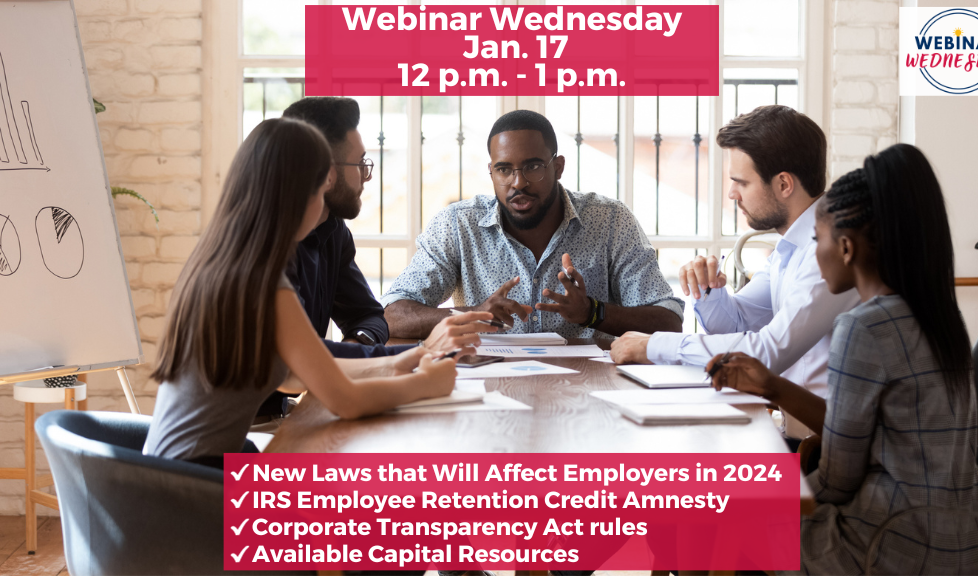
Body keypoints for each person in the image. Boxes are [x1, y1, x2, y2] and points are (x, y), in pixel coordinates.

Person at [708, 144, 978, 574]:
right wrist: (773, 385)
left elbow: (839, 481)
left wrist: (768, 496)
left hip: (890, 546)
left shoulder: (863, 327)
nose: (814, 253)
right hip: (967, 546)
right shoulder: (938, 315)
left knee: (714, 514)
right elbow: (874, 430)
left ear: (845, 248)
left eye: (817, 239)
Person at [144, 118, 456, 468]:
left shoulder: (219, 261)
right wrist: (427, 385)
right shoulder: (266, 284)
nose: (324, 207)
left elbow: (294, 377)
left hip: (171, 471)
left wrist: (400, 361)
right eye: (321, 193)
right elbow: (346, 401)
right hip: (192, 487)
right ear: (296, 195)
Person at [611, 105, 860, 441]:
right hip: (797, 436)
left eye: (741, 182)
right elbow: (741, 323)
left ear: (784, 184)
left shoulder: (826, 252)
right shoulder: (790, 247)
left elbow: (767, 352)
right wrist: (709, 291)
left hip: (826, 448)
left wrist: (653, 346)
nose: (731, 193)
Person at [251, 98, 495, 422]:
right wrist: (420, 359)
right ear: (323, 174)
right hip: (221, 458)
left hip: (255, 431)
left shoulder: (247, 253)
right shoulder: (266, 270)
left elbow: (299, 368)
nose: (367, 177)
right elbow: (328, 385)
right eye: (361, 163)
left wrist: (396, 359)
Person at [382, 109, 685, 339]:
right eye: (504, 169)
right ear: (491, 172)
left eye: (533, 167)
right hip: (488, 388)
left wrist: (593, 313)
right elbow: (391, 314)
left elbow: (668, 320)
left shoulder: (609, 220)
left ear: (558, 167)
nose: (518, 183)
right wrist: (471, 314)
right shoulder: (459, 225)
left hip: (591, 391)